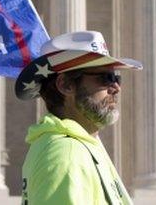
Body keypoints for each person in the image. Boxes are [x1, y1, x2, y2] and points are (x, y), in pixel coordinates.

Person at [15, 31, 141, 204]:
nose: (116, 87)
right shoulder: (67, 153)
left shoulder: (76, 147)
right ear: (65, 85)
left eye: (116, 78)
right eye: (106, 78)